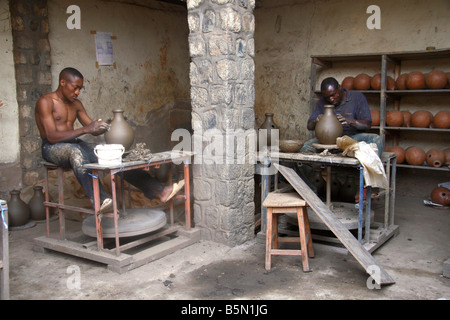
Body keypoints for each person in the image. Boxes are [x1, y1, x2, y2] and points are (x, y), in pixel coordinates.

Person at [35, 67, 183, 213]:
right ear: (62, 82)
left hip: (74, 145)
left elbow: (91, 128)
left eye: (80, 89)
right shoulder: (46, 102)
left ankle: (159, 190)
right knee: (76, 152)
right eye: (75, 88)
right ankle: (101, 200)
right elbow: (52, 136)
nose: (77, 93)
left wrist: (102, 126)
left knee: (111, 155)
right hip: (52, 148)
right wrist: (85, 129)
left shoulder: (76, 104)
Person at [300, 77, 382, 156]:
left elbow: (367, 125)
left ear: (339, 88)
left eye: (333, 95)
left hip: (352, 137)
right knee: (305, 148)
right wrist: (316, 120)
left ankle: (367, 169)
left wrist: (351, 121)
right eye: (327, 97)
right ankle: (318, 170)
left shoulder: (357, 97)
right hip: (329, 139)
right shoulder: (322, 101)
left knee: (376, 139)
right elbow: (309, 126)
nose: (331, 99)